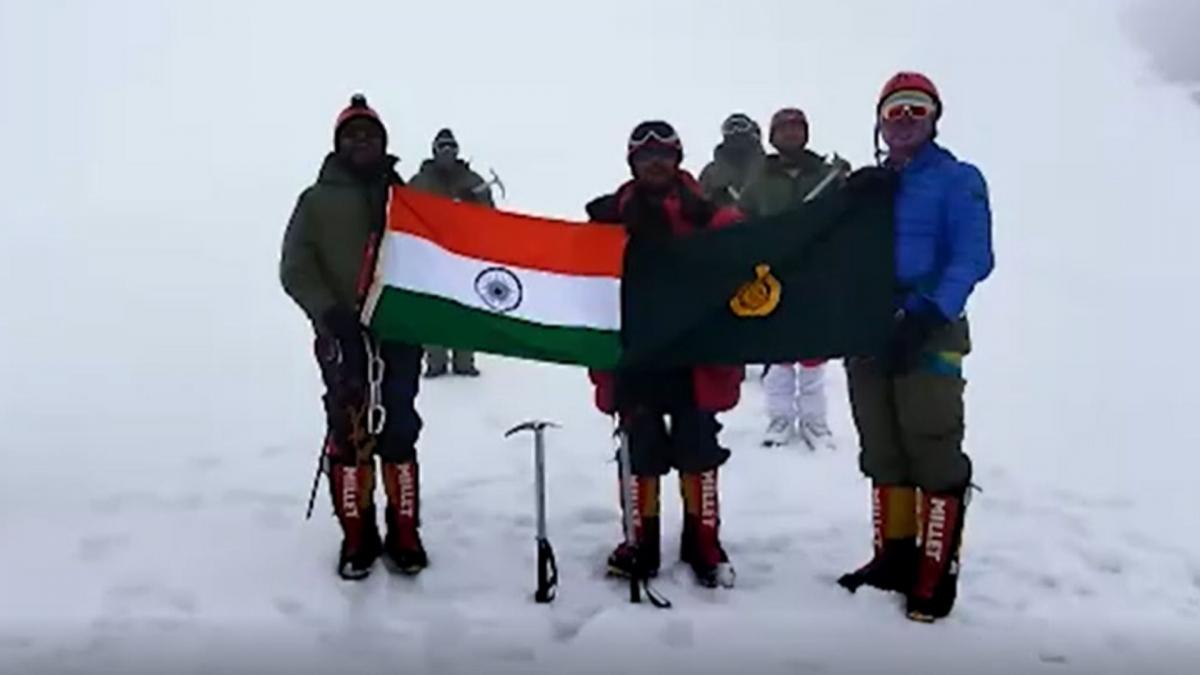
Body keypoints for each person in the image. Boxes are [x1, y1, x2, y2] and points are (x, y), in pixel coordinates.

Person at [837, 73, 994, 623]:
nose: (904, 119)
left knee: (932, 445)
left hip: (930, 325)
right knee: (882, 446)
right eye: (895, 110)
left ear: (933, 119)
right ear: (880, 121)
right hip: (869, 329)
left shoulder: (957, 179)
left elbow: (974, 255)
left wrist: (928, 311)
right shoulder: (870, 185)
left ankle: (933, 572)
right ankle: (893, 558)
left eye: (916, 110)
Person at [585, 121, 742, 589]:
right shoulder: (612, 216)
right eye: (645, 155)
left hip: (695, 353)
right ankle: (641, 541)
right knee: (640, 447)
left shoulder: (707, 215)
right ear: (632, 163)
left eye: (664, 154)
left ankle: (704, 541)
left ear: (678, 160)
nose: (655, 163)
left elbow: (747, 243)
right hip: (638, 354)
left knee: (698, 448)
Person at [280, 94, 428, 581]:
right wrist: (329, 312)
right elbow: (296, 267)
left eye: (371, 135)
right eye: (353, 135)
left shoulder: (405, 199)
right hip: (342, 336)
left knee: (399, 425)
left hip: (399, 333)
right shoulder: (315, 201)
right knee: (349, 431)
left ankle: (404, 530)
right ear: (338, 144)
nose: (362, 142)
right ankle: (357, 535)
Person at [739, 107, 851, 450]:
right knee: (779, 352)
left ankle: (816, 422)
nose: (790, 134)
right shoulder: (759, 180)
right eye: (783, 129)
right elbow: (742, 221)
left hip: (816, 273)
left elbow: (846, 216)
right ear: (773, 137)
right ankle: (780, 418)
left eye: (796, 128)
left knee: (814, 351)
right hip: (774, 274)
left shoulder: (825, 175)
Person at [408, 128, 495, 378]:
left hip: (464, 257)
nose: (447, 152)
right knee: (432, 311)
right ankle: (435, 362)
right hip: (431, 257)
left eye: (451, 147)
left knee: (465, 311)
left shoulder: (473, 181)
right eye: (442, 148)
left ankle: (464, 361)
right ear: (433, 151)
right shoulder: (419, 182)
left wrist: (472, 203)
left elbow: (491, 216)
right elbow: (407, 212)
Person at [698, 113, 766, 208]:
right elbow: (700, 205)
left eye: (742, 126)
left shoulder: (770, 166)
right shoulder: (710, 173)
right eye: (730, 128)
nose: (736, 131)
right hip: (727, 221)